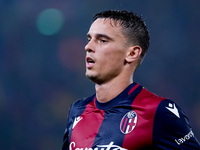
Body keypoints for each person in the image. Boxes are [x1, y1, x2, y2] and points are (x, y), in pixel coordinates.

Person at [62, 10, 200, 150]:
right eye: (89, 39)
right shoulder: (77, 110)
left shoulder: (159, 111)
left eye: (102, 40)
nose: (88, 47)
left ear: (132, 53)